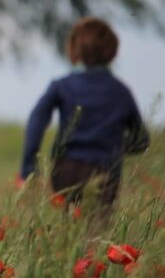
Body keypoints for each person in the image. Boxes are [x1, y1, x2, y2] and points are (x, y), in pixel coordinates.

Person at [18, 16, 149, 219]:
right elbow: (141, 141)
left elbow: (37, 119)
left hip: (66, 169)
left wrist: (29, 168)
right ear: (112, 52)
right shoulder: (121, 92)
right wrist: (113, 147)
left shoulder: (62, 86)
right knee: (95, 233)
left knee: (69, 229)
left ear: (74, 49)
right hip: (105, 171)